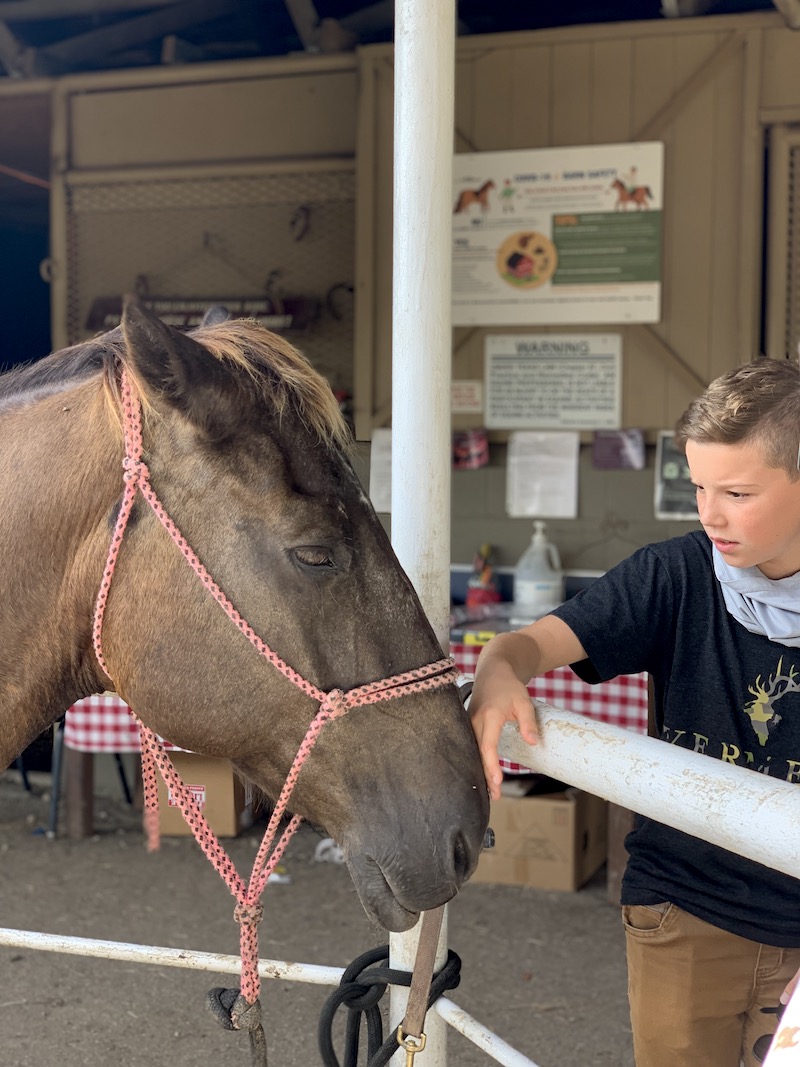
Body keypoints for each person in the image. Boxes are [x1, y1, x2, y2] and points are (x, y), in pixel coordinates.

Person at [469, 356, 800, 1067]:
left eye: (737, 492)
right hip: (683, 909)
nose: (709, 513)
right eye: (699, 486)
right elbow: (526, 644)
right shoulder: (675, 573)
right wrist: (498, 670)